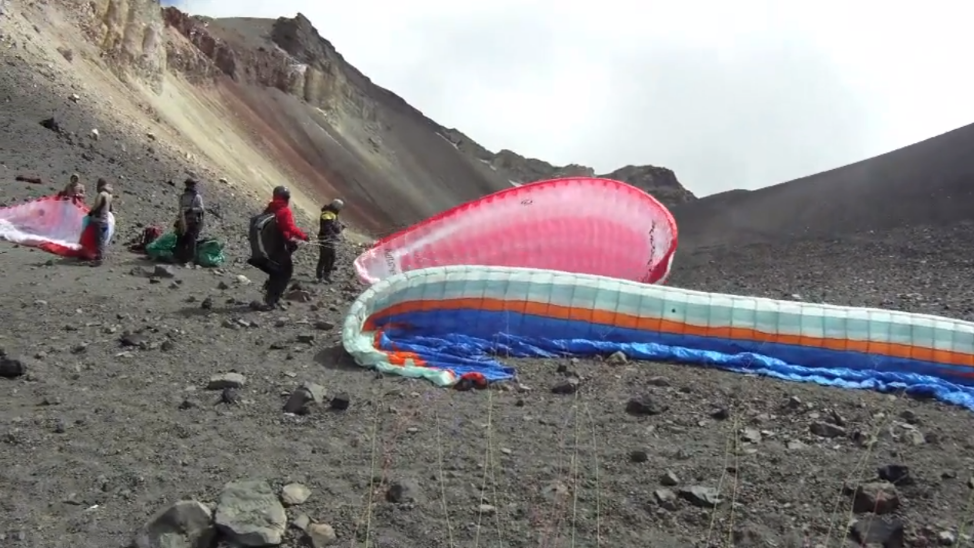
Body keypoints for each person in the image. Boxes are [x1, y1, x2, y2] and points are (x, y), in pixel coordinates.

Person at [248, 185, 309, 309]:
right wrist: (303, 236)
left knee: (276, 272)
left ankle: (270, 297)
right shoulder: (284, 210)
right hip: (279, 247)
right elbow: (288, 227)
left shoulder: (271, 208)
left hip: (269, 248)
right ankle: (271, 301)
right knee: (285, 273)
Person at [174, 178, 205, 265]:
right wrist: (192, 210)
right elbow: (201, 209)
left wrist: (190, 210)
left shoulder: (183, 197)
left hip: (185, 220)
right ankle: (187, 259)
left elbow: (181, 209)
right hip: (191, 221)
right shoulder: (197, 197)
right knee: (189, 240)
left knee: (183, 239)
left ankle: (181, 258)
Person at [316, 198, 345, 282]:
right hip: (324, 239)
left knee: (331, 257)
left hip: (330, 240)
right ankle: (319, 276)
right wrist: (334, 235)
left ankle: (326, 275)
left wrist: (340, 228)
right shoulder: (326, 214)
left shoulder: (333, 215)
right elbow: (326, 228)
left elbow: (335, 228)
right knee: (324, 258)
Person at [87, 178, 113, 265]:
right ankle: (100, 256)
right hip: (105, 220)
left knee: (99, 240)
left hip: (99, 220)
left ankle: (99, 259)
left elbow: (96, 206)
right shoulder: (109, 195)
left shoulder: (101, 194)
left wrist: (90, 213)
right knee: (102, 239)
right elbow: (110, 209)